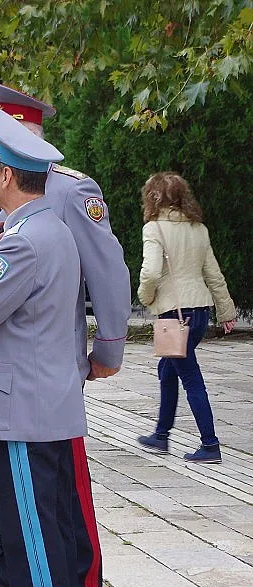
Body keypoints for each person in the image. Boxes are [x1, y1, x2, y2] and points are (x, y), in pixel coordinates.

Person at [0, 82, 129, 587]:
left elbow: (107, 272)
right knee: (20, 503)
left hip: (44, 374)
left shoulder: (68, 190)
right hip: (6, 366)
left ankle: (75, 582)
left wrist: (108, 349)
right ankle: (9, 577)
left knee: (55, 497)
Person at [0, 107, 84, 587]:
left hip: (23, 414)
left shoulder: (20, 243)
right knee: (50, 537)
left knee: (35, 550)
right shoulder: (51, 228)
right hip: (39, 407)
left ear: (6, 174)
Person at [136, 172, 237, 463]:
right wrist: (226, 310)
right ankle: (161, 435)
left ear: (153, 197)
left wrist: (145, 297)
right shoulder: (198, 229)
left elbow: (152, 271)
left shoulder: (154, 228)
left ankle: (210, 445)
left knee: (190, 377)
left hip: (173, 315)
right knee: (167, 370)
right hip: (200, 312)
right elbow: (213, 275)